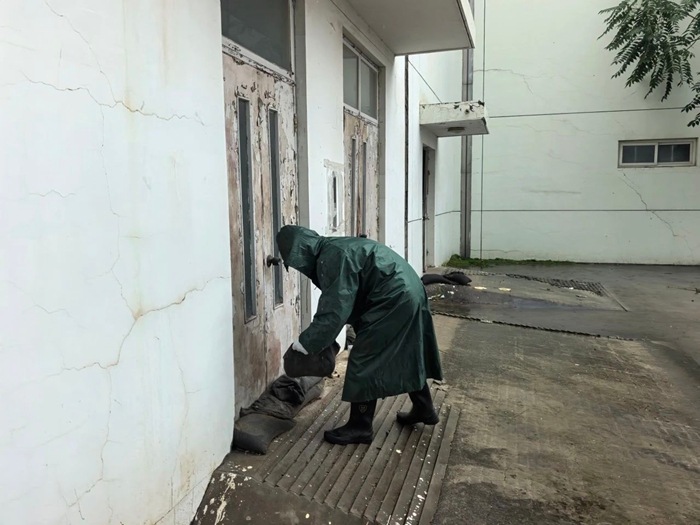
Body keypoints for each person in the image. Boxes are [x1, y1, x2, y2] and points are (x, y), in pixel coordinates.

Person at [277, 225, 443, 445]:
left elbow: (334, 311)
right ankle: (424, 408)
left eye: (296, 263)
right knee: (406, 351)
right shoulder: (334, 248)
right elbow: (351, 296)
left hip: (392, 299)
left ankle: (360, 426)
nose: (299, 268)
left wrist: (305, 344)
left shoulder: (331, 258)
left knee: (364, 360)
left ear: (302, 253)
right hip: (408, 290)